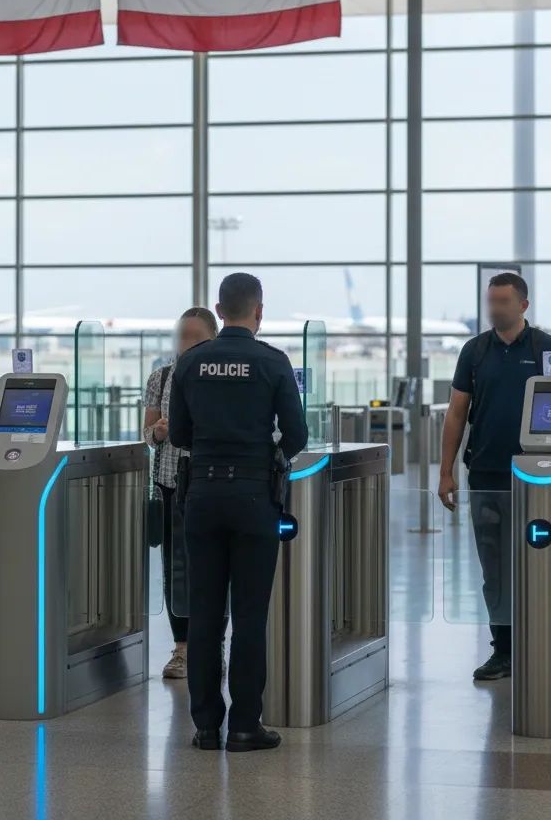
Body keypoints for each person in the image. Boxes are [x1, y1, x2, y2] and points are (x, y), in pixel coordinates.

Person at [169, 273, 307, 752]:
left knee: (205, 617)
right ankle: (246, 726)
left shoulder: (191, 364)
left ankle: (206, 727)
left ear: (219, 310)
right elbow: (296, 434)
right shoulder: (272, 362)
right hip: (254, 499)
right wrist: (268, 456)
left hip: (201, 497)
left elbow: (180, 435)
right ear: (258, 311)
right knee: (250, 617)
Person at [439, 272, 551, 681]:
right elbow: (457, 412)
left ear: (523, 306)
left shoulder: (548, 349)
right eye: (491, 301)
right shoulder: (475, 351)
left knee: (539, 560)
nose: (495, 309)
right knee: (494, 566)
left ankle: (541, 641)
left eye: (503, 302)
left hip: (539, 478)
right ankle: (503, 649)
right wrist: (446, 471)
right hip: (488, 475)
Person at [143, 307, 221, 680]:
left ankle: (213, 645)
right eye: (182, 335)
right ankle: (182, 646)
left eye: (194, 335)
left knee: (212, 568)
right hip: (171, 482)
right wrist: (157, 432)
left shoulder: (219, 377)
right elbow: (146, 433)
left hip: (209, 482)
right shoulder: (161, 377)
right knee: (175, 569)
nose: (185, 342)